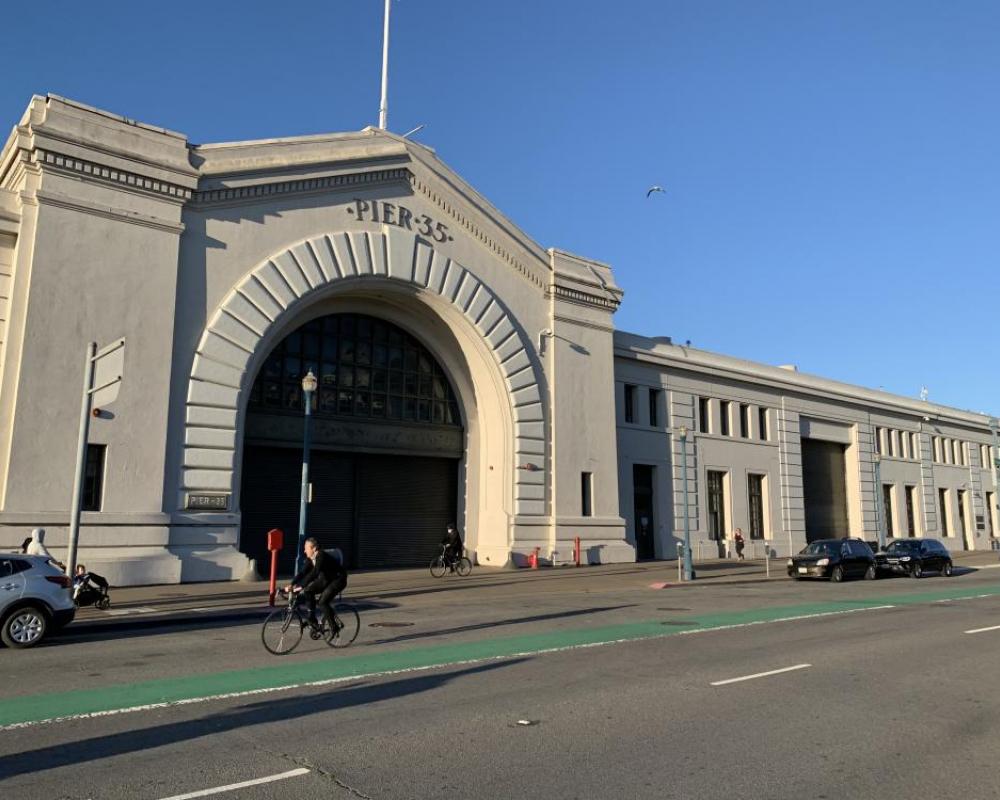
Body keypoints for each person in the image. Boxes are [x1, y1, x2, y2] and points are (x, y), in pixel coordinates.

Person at [285, 537, 348, 639]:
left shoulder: (321, 556)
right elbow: (303, 572)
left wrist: (301, 586)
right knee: (308, 591)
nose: (304, 550)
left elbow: (314, 573)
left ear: (314, 548)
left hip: (338, 580)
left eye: (306, 548)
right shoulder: (311, 558)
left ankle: (334, 627)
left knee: (322, 603)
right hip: (326, 579)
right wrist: (292, 584)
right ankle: (312, 619)